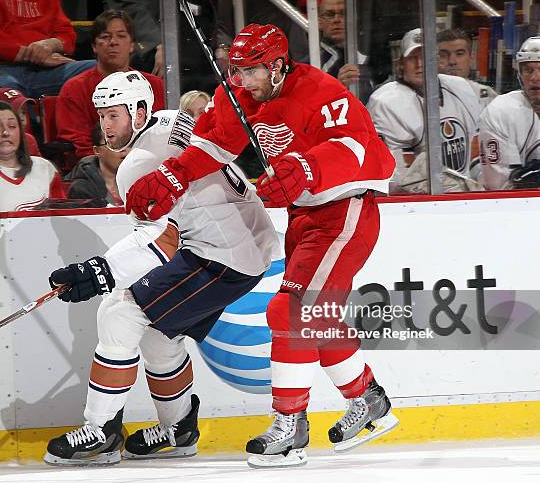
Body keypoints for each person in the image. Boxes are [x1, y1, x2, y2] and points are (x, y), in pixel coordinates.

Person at [125, 24, 397, 468]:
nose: (242, 80)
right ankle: (368, 400)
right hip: (305, 217)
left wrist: (308, 169)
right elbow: (215, 143)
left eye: (251, 71)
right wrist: (172, 176)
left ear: (277, 66)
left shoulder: (320, 91)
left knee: (291, 312)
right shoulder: (241, 91)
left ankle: (290, 426)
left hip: (344, 212)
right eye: (236, 70)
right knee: (316, 316)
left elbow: (362, 148)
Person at [43, 71, 278, 466]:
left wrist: (98, 272)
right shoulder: (172, 118)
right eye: (101, 115)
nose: (104, 125)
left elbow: (156, 242)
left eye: (113, 115)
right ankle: (178, 428)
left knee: (119, 313)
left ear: (138, 112)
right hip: (247, 245)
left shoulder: (137, 164)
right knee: (159, 335)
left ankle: (100, 432)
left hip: (221, 255)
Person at [367, 28, 482, 194]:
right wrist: (451, 189)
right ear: (400, 64)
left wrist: (481, 187)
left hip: (465, 198)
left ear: (437, 61)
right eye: (412, 58)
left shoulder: (461, 87)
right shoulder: (386, 102)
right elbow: (396, 179)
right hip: (416, 205)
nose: (419, 64)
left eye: (425, 57)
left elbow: (476, 149)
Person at [56, 10, 165, 158]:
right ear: (94, 46)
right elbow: (79, 146)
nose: (113, 42)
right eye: (105, 37)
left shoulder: (155, 85)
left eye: (121, 36)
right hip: (99, 170)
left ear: (132, 45)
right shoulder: (74, 89)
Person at [0, 0, 95, 99]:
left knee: (98, 70)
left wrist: (50, 45)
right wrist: (35, 54)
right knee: (10, 91)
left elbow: (66, 32)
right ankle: (29, 135)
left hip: (45, 70)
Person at [479, 37, 540, 190]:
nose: (535, 78)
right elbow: (500, 187)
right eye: (528, 70)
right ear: (520, 75)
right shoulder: (501, 111)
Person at [315, 0, 374, 103]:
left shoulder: (372, 57)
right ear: (319, 22)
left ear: (354, 18)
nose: (337, 19)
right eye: (329, 14)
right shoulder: (309, 64)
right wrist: (337, 88)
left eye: (343, 13)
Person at [64, 123, 125, 207]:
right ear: (97, 151)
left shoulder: (141, 178)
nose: (123, 149)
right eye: (114, 143)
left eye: (127, 142)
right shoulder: (81, 190)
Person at [437, 28, 498, 110]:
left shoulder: (485, 95)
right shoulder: (424, 96)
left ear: (471, 59)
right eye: (443, 55)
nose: (452, 61)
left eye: (459, 54)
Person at [0, 88, 42, 157]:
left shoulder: (28, 140)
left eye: (23, 112)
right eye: (15, 113)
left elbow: (39, 166)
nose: (22, 118)